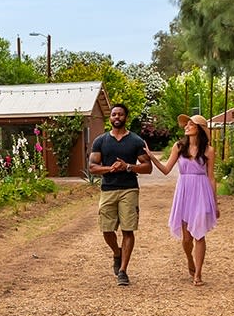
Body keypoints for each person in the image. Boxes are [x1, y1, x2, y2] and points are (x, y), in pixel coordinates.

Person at [145, 113, 218, 286]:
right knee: (187, 239)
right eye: (186, 124)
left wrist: (214, 203)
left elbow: (211, 178)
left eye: (191, 124)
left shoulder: (209, 150)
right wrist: (152, 156)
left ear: (199, 129)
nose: (186, 126)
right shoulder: (178, 147)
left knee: (199, 235)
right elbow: (165, 169)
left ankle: (198, 274)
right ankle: (189, 258)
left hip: (201, 191)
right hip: (184, 191)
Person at [88, 103, 152, 286]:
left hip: (129, 189)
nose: (117, 117)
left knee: (128, 229)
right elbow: (92, 167)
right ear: (110, 118)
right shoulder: (100, 141)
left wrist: (128, 167)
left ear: (126, 117)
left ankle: (123, 270)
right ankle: (117, 252)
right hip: (108, 189)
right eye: (114, 114)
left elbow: (148, 167)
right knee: (106, 229)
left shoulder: (136, 141)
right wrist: (111, 168)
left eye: (120, 114)